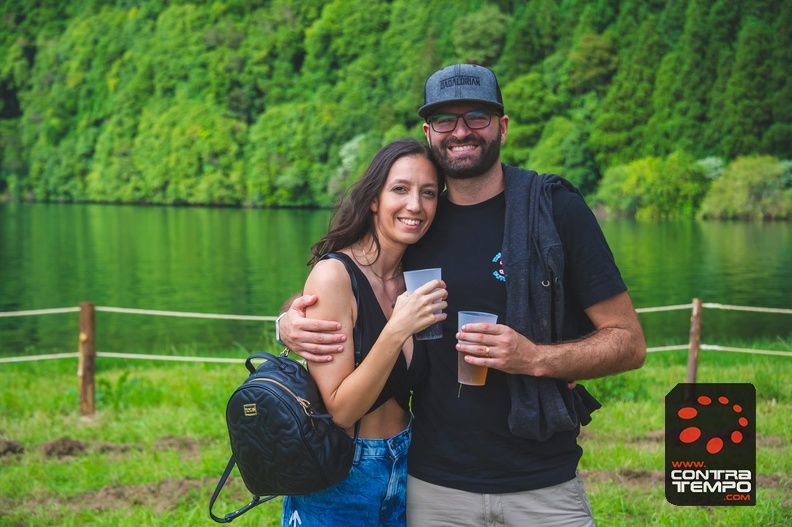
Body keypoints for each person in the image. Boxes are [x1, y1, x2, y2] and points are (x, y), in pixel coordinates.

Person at [278, 64, 646, 526]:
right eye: (446, 121)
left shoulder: (553, 211)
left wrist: (536, 357)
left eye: (477, 116)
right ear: (429, 131)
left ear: (502, 127)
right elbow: (353, 284)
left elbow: (629, 342)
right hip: (433, 485)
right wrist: (290, 319)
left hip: (543, 482)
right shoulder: (415, 226)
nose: (461, 132)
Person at [280, 138, 447, 527]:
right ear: (374, 198)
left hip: (410, 465)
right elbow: (340, 410)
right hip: (344, 473)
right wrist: (397, 329)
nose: (415, 206)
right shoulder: (334, 275)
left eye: (428, 193)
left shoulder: (416, 279)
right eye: (400, 189)